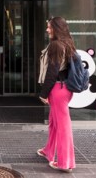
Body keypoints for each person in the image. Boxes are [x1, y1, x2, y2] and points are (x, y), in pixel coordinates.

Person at [37, 16, 76, 172]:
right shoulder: (68, 42)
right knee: (54, 122)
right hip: (64, 88)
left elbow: (52, 72)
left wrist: (43, 93)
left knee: (63, 126)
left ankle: (65, 163)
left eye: (49, 27)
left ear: (56, 28)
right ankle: (48, 150)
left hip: (58, 89)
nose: (47, 29)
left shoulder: (56, 45)